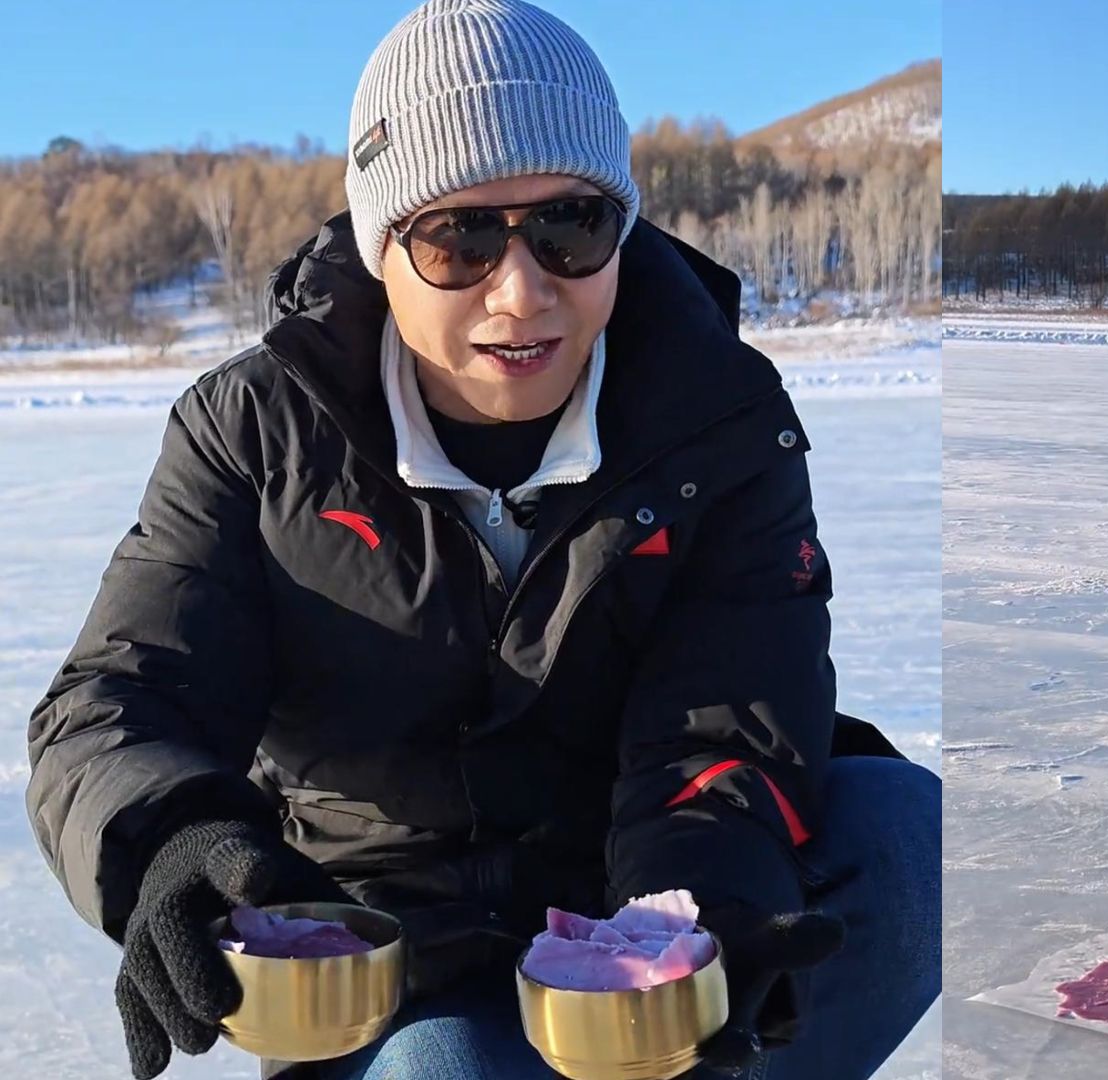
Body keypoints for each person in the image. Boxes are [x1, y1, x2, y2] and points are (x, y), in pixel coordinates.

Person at [22, 2, 938, 1077]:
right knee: (447, 1068)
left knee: (902, 835)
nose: (523, 290)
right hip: (396, 943)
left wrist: (699, 911)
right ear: (381, 248)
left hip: (627, 888)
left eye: (571, 226)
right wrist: (175, 842)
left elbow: (729, 714)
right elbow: (119, 703)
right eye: (459, 237)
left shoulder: (717, 419)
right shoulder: (258, 435)